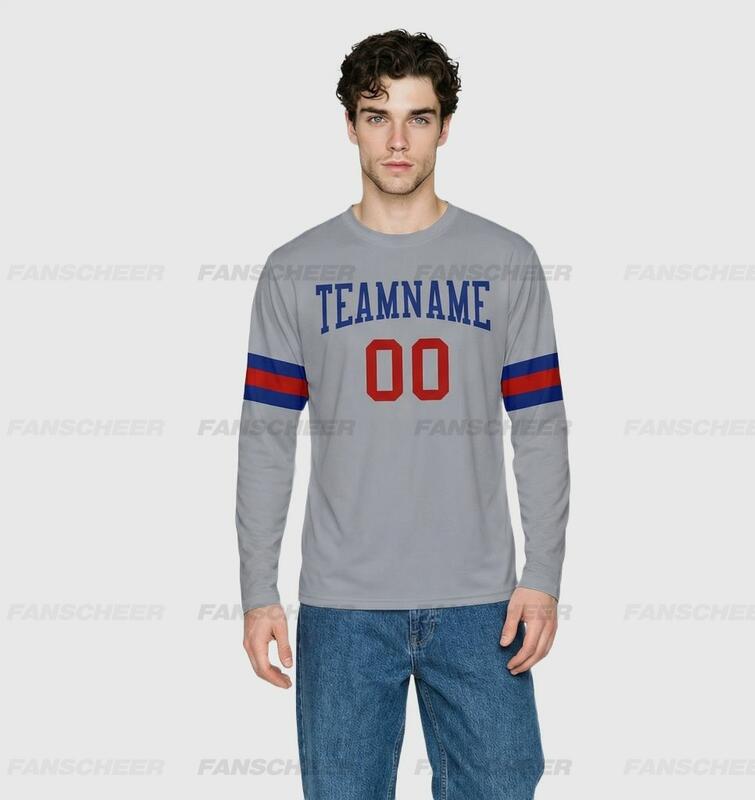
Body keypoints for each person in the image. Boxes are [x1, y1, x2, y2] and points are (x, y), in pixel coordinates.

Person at [235, 28, 570, 799]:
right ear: (350, 125)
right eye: (376, 115)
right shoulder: (295, 270)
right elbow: (266, 439)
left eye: (417, 117)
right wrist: (259, 591)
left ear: (444, 127)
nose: (396, 140)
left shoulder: (505, 260)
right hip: (344, 604)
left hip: (482, 601)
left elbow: (540, 426)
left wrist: (543, 576)